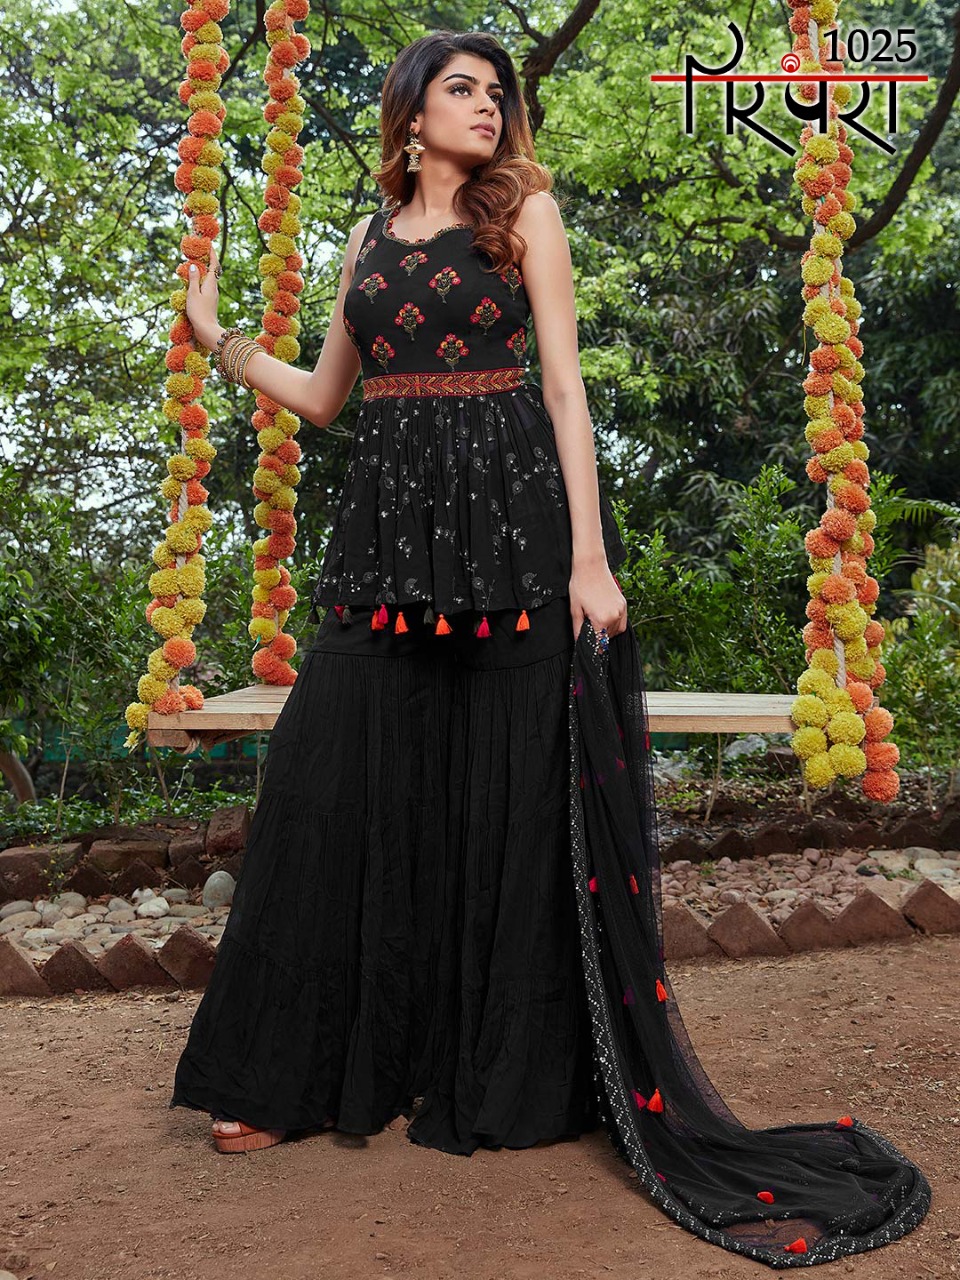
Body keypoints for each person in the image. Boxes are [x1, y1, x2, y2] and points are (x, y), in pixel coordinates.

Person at [169, 29, 932, 1268]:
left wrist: (589, 559)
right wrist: (219, 340)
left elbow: (567, 390)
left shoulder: (523, 212)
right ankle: (288, 1070)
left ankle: (507, 1073)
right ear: (410, 111)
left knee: (512, 798)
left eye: (496, 93)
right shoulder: (365, 241)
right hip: (388, 549)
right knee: (327, 783)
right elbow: (324, 398)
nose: (487, 107)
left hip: (517, 533)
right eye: (462, 89)